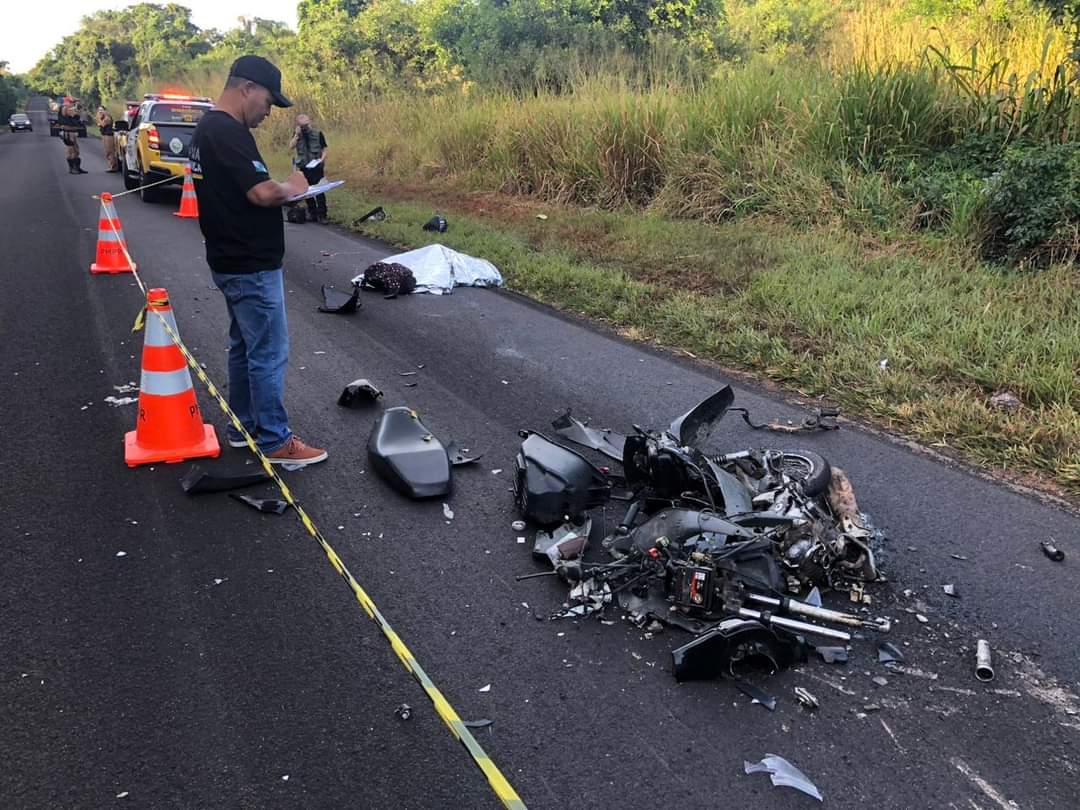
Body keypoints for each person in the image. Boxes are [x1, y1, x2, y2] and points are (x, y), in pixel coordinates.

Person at [189, 55, 327, 467]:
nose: (269, 112)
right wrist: (295, 185)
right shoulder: (226, 131)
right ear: (246, 88)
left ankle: (242, 426)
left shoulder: (206, 130)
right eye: (268, 101)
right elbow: (262, 193)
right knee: (267, 351)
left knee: (244, 346)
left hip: (230, 258)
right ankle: (273, 438)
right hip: (249, 262)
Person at [288, 113, 329, 222]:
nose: (304, 128)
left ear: (309, 122)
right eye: (302, 126)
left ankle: (322, 215)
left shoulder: (318, 133)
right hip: (304, 167)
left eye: (305, 125)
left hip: (316, 167)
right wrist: (296, 135)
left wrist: (322, 159)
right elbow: (291, 146)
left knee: (319, 191)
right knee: (306, 191)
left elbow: (325, 148)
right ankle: (312, 213)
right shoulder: (297, 135)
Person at [59, 98, 87, 174]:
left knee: (75, 150)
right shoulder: (65, 108)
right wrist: (78, 110)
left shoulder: (67, 108)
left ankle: (76, 167)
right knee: (72, 151)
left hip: (71, 131)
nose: (72, 104)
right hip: (68, 132)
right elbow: (74, 115)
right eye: (71, 102)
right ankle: (73, 168)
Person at [96, 106, 119, 172]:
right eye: (99, 110)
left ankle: (113, 166)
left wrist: (98, 119)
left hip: (109, 136)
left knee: (110, 151)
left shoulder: (107, 117)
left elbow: (103, 124)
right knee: (106, 151)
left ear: (105, 110)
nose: (100, 111)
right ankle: (111, 165)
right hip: (104, 135)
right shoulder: (102, 117)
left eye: (101, 110)